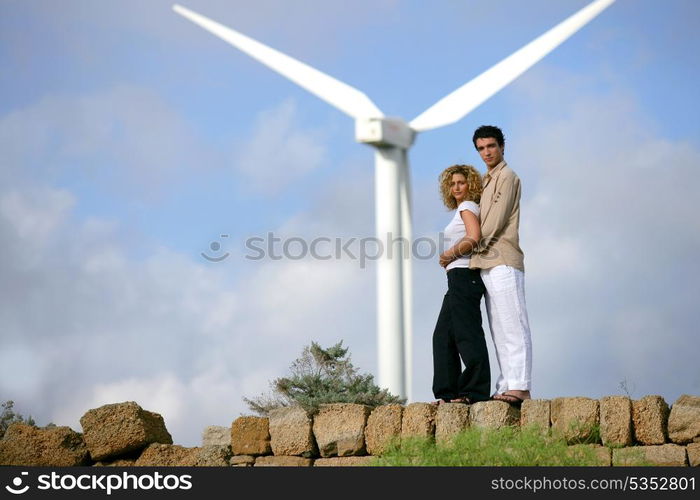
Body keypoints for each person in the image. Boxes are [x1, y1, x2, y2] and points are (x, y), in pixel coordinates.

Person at [470, 125, 532, 407]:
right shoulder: (485, 180)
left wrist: (469, 246)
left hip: (504, 258)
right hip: (486, 262)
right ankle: (506, 383)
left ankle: (521, 385)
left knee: (514, 323)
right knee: (498, 328)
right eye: (481, 148)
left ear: (502, 146)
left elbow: (494, 222)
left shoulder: (507, 177)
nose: (486, 153)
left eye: (491, 146)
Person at [431, 164, 491, 405]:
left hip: (465, 276)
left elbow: (474, 237)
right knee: (443, 336)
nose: (456, 187)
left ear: (471, 185)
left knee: (467, 334)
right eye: (452, 183)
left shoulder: (467, 207)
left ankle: (474, 392)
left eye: (461, 182)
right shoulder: (462, 209)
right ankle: (448, 393)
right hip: (456, 278)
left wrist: (449, 254)